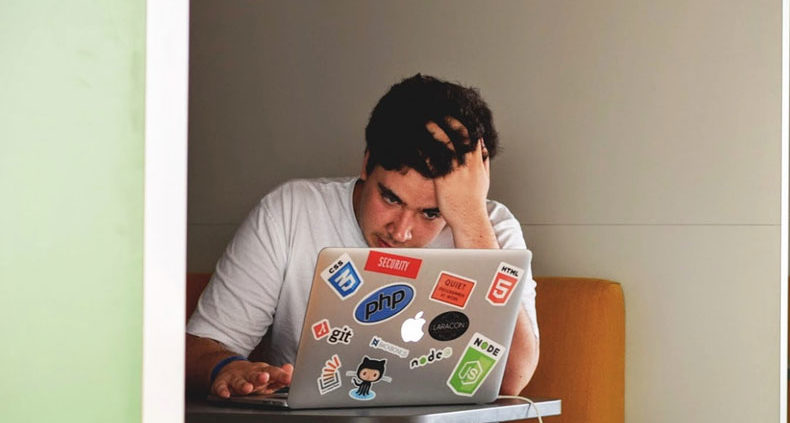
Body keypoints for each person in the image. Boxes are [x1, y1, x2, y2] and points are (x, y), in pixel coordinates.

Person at [184, 74, 540, 399]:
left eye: (432, 213)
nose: (401, 231)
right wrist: (227, 368)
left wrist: (470, 220)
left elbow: (512, 380)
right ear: (367, 163)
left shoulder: (490, 228)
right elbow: (198, 348)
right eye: (390, 197)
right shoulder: (291, 211)